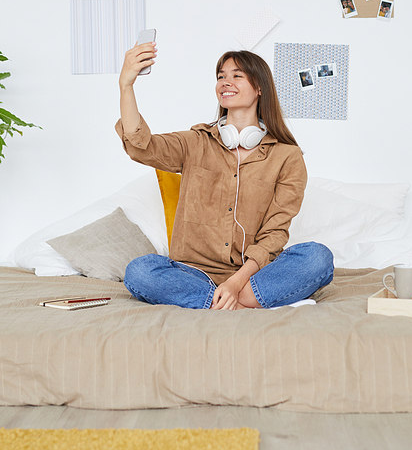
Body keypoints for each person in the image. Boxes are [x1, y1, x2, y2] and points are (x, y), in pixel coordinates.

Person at [116, 42, 334, 310]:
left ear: (259, 87)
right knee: (140, 271)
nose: (225, 82)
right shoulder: (195, 142)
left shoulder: (287, 157)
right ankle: (236, 304)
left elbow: (274, 233)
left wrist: (235, 283)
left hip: (253, 276)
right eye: (221, 76)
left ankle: (232, 299)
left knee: (317, 257)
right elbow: (142, 147)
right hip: (193, 275)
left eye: (236, 75)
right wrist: (126, 86)